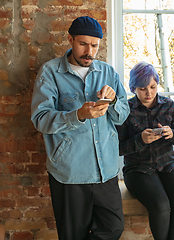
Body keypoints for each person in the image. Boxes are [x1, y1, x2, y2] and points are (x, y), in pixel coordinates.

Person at [31, 16, 130, 240]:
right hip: (70, 172)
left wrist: (114, 102)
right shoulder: (50, 73)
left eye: (94, 45)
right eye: (83, 44)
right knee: (72, 235)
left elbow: (123, 115)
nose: (89, 51)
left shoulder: (108, 72)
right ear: (70, 40)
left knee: (113, 228)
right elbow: (41, 119)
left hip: (106, 170)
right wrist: (78, 115)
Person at [116, 62, 174, 240]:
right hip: (137, 169)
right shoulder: (126, 110)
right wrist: (140, 140)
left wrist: (172, 134)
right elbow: (117, 148)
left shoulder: (169, 106)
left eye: (153, 87)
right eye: (142, 88)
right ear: (134, 88)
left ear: (157, 84)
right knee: (161, 205)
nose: (149, 93)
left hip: (168, 164)